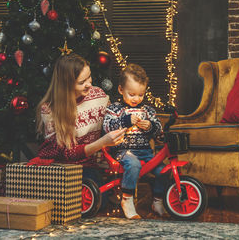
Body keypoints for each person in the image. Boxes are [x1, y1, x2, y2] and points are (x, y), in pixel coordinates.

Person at [34, 53, 126, 193]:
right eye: (81, 82)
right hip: (64, 167)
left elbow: (112, 120)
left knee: (101, 197)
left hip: (91, 164)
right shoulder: (50, 110)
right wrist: (102, 142)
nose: (89, 84)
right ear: (67, 84)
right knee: (80, 201)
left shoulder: (99, 95)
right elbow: (67, 153)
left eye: (89, 76)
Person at [103, 63, 167, 219]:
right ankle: (127, 199)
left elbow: (158, 127)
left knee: (164, 171)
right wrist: (125, 121)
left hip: (145, 152)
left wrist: (150, 126)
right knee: (133, 164)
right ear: (120, 90)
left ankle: (157, 200)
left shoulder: (147, 110)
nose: (136, 99)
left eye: (140, 95)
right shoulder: (115, 109)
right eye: (131, 94)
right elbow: (106, 126)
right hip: (123, 151)